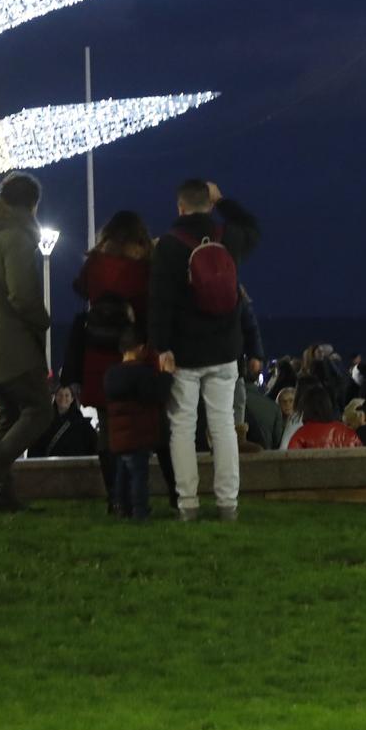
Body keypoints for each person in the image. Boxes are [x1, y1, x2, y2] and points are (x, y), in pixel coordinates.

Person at [149, 178, 261, 521]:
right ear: (209, 204)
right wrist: (223, 200)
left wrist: (161, 347)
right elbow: (252, 226)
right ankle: (228, 503)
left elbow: (160, 301)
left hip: (184, 351)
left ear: (180, 207)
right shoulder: (228, 238)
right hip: (225, 349)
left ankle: (188, 504)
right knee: (224, 426)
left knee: (182, 426)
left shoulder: (168, 245)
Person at [0, 171, 55, 511]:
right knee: (38, 411)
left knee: (8, 415)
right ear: (32, 206)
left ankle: (0, 493)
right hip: (13, 344)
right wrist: (43, 320)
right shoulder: (16, 236)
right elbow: (22, 295)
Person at [66, 209, 153, 503]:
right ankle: (135, 493)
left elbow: (79, 289)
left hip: (97, 354)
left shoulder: (96, 264)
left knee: (107, 427)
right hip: (132, 354)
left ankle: (114, 496)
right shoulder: (143, 266)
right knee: (137, 425)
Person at [103, 338, 171, 519]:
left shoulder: (111, 374)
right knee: (139, 476)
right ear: (140, 348)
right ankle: (140, 510)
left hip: (119, 437)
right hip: (138, 435)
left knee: (121, 475)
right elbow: (158, 395)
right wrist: (166, 375)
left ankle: (121, 508)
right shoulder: (142, 373)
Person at [31, 384, 99, 458]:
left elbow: (94, 447)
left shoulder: (83, 424)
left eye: (67, 395)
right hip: (51, 467)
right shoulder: (45, 423)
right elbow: (36, 448)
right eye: (60, 395)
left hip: (76, 466)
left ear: (72, 399)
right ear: (55, 397)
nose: (63, 398)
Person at [286, 382, 360, 449]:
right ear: (328, 406)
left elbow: (291, 461)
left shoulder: (300, 435)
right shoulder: (347, 432)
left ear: (306, 409)